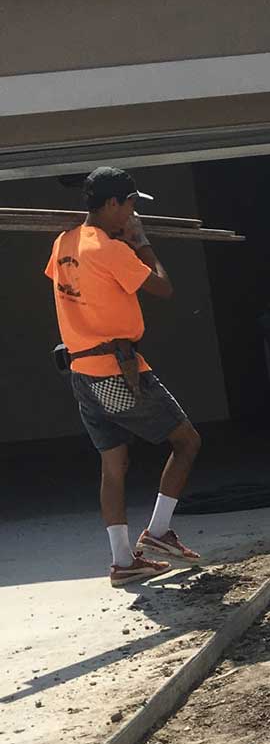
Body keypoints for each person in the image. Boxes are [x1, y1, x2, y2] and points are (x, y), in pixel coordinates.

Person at [47, 167, 202, 586]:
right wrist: (142, 243)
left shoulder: (64, 243)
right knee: (187, 441)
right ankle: (158, 534)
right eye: (131, 203)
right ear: (113, 203)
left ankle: (122, 561)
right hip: (117, 372)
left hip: (82, 372)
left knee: (113, 463)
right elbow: (162, 288)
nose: (133, 212)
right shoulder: (113, 251)